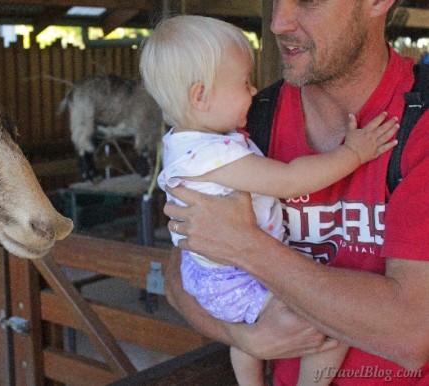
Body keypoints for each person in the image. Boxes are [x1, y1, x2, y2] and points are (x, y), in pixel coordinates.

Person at [161, 1, 429, 385]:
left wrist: (246, 245)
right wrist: (244, 337)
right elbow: (179, 272)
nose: (277, 23)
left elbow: (412, 333)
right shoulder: (246, 120)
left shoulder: (420, 122)